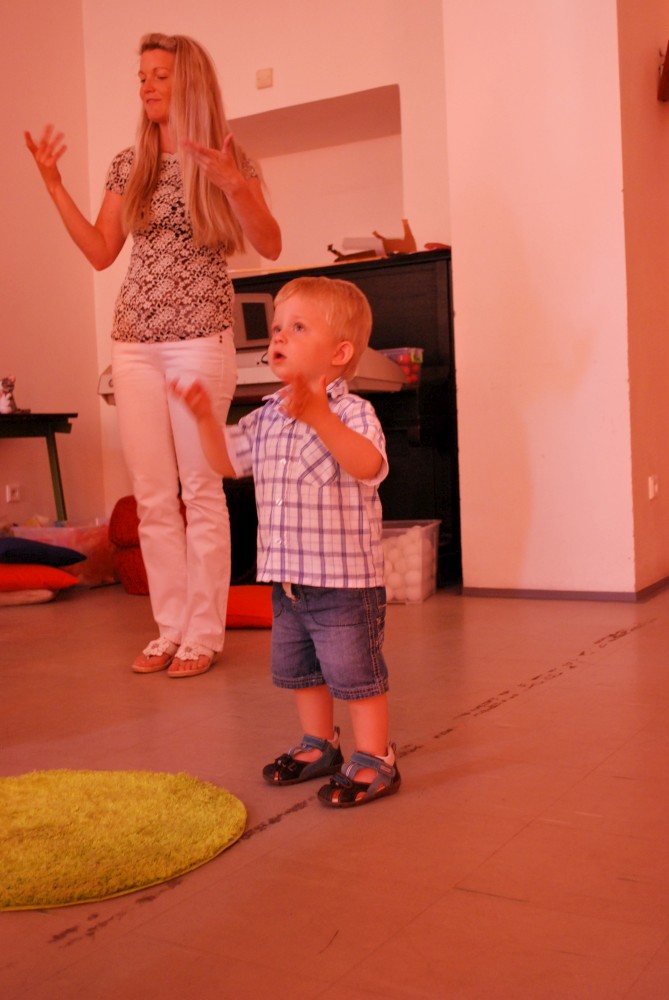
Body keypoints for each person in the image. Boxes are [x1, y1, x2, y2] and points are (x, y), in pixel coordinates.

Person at [25, 33, 282, 678]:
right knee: (152, 495)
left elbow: (271, 244)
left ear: (188, 81)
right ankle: (170, 629)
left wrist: (234, 183)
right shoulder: (128, 163)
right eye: (142, 75)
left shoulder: (228, 158)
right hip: (134, 343)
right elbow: (100, 251)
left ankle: (204, 634)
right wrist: (54, 186)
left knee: (200, 488)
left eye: (160, 75)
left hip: (200, 338)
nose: (146, 85)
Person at [171, 276, 400, 807]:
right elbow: (226, 463)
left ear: (339, 353)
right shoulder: (266, 416)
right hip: (289, 583)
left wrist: (318, 415)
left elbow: (368, 464)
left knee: (357, 675)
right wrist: (205, 420)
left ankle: (376, 758)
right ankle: (319, 744)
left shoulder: (353, 413)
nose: (279, 336)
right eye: (278, 327)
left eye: (298, 328)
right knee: (302, 672)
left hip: (345, 584)